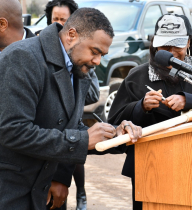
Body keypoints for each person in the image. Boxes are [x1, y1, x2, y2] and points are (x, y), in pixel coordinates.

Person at [0, 7, 142, 210]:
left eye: (102, 54)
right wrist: (83, 140)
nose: (98, 61)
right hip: (9, 193)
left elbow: (69, 127)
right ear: (71, 35)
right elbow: (12, 131)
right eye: (95, 52)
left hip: (38, 192)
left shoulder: (78, 67)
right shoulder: (22, 58)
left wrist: (115, 135)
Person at [108, 14, 192, 210]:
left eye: (178, 46)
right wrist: (141, 106)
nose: (172, 53)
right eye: (166, 47)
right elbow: (115, 120)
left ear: (189, 43)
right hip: (149, 167)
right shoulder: (137, 77)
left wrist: (189, 101)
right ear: (155, 46)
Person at [41, 1, 98, 209]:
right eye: (55, 19)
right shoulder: (34, 51)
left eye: (63, 20)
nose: (59, 25)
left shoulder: (81, 58)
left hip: (63, 151)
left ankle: (80, 191)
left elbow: (92, 95)